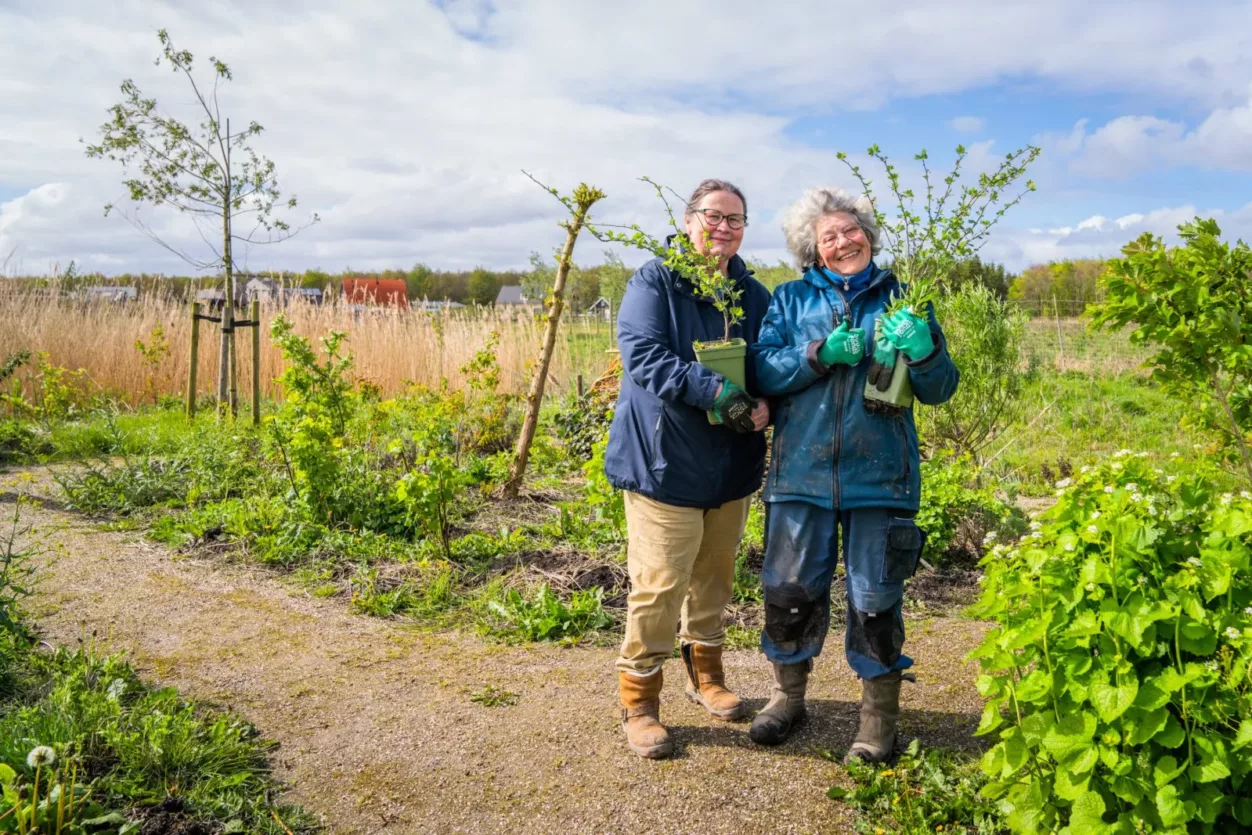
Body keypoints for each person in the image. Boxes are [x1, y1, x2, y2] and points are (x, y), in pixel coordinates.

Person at [746, 187, 959, 762]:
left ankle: (876, 721)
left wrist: (926, 348)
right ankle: (787, 699)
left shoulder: (905, 297)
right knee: (789, 595)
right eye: (828, 236)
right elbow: (763, 369)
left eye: (850, 230)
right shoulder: (789, 300)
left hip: (881, 478)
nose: (843, 242)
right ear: (812, 250)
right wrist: (820, 355)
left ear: (867, 232)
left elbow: (940, 388)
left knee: (875, 599)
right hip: (800, 477)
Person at [604, 179, 772, 759]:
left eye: (736, 219)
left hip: (729, 465)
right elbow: (644, 356)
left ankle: (706, 676)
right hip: (665, 461)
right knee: (659, 586)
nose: (723, 227)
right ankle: (639, 701)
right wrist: (718, 393)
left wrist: (772, 399)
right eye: (713, 216)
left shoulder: (751, 295)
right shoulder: (656, 281)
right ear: (687, 220)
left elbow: (767, 363)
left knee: (714, 580)